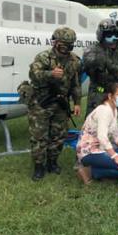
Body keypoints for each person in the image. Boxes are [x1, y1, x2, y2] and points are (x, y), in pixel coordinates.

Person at [26, 27, 82, 181]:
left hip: (60, 103)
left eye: (69, 44)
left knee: (59, 135)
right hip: (41, 103)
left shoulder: (74, 61)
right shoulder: (43, 57)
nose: (65, 47)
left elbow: (75, 84)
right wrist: (50, 74)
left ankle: (53, 162)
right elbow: (33, 75)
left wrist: (77, 102)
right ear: (55, 42)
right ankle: (39, 166)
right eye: (63, 43)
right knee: (39, 136)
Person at [82, 19, 118, 124]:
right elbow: (87, 66)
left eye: (117, 35)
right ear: (101, 36)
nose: (113, 39)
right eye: (109, 35)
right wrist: (99, 59)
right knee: (93, 122)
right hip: (99, 92)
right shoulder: (92, 50)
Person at [75, 82, 118, 183]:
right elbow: (102, 137)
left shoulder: (114, 109)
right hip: (88, 151)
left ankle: (95, 170)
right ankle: (90, 171)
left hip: (100, 147)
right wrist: (116, 158)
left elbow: (115, 132)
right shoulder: (104, 111)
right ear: (110, 96)